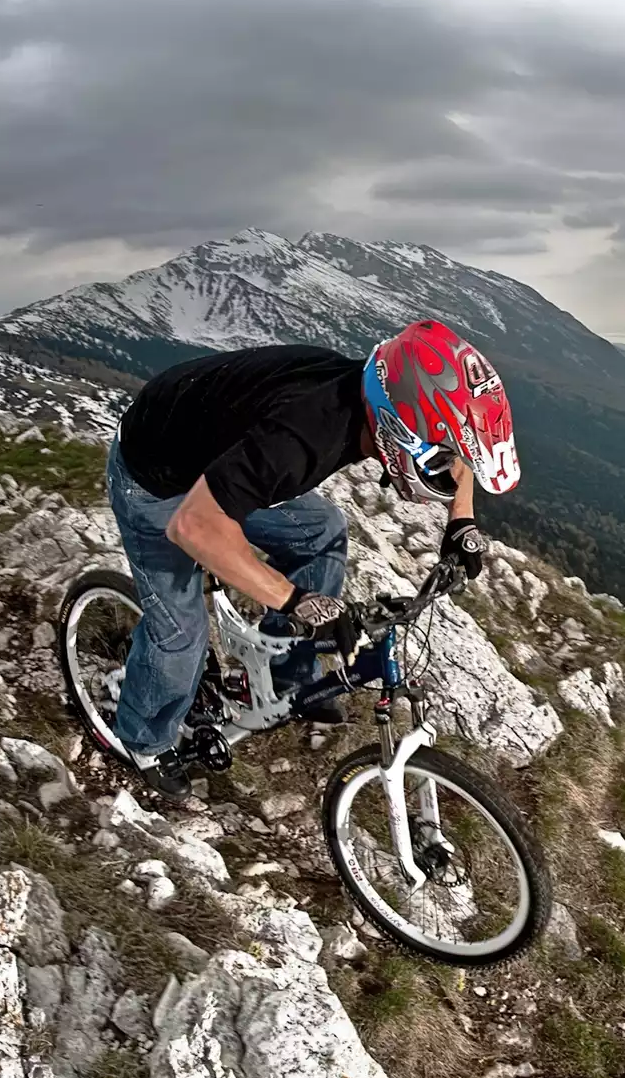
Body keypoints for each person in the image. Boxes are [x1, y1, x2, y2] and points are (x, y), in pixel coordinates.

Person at [104, 320, 521, 797]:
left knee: (322, 531)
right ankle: (144, 738)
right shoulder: (302, 437)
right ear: (401, 430)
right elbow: (193, 526)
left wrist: (461, 520)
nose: (445, 471)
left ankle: (288, 675)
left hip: (220, 462)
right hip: (157, 482)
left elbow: (456, 451)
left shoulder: (373, 397)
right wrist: (295, 600)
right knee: (181, 634)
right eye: (438, 460)